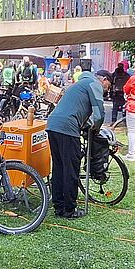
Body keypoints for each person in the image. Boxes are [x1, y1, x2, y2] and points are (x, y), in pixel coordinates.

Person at [46, 69, 110, 218]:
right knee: (71, 169)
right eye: (109, 85)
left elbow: (77, 110)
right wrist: (96, 128)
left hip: (52, 124)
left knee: (59, 167)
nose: (107, 89)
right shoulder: (94, 84)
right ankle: (69, 209)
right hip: (67, 128)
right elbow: (99, 113)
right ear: (104, 80)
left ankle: (59, 206)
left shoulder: (78, 84)